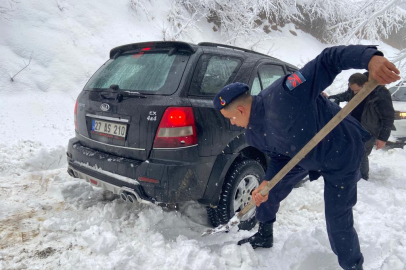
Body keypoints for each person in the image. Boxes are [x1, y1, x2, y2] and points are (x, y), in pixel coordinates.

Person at [213, 45, 400, 270]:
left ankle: (353, 266)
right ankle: (264, 234)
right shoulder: (253, 134)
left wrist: (369, 58)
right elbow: (280, 158)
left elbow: (328, 60)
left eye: (230, 118)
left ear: (240, 111)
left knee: (337, 219)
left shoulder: (284, 95)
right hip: (301, 154)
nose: (231, 123)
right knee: (268, 191)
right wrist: (266, 182)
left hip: (341, 151)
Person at [324, 73, 395, 180]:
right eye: (352, 90)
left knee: (361, 153)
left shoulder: (380, 94)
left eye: (356, 90)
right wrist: (330, 98)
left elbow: (388, 117)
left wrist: (383, 138)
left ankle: (363, 177)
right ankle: (351, 171)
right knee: (350, 150)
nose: (354, 93)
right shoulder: (356, 87)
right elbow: (345, 95)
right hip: (353, 126)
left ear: (365, 84)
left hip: (369, 129)